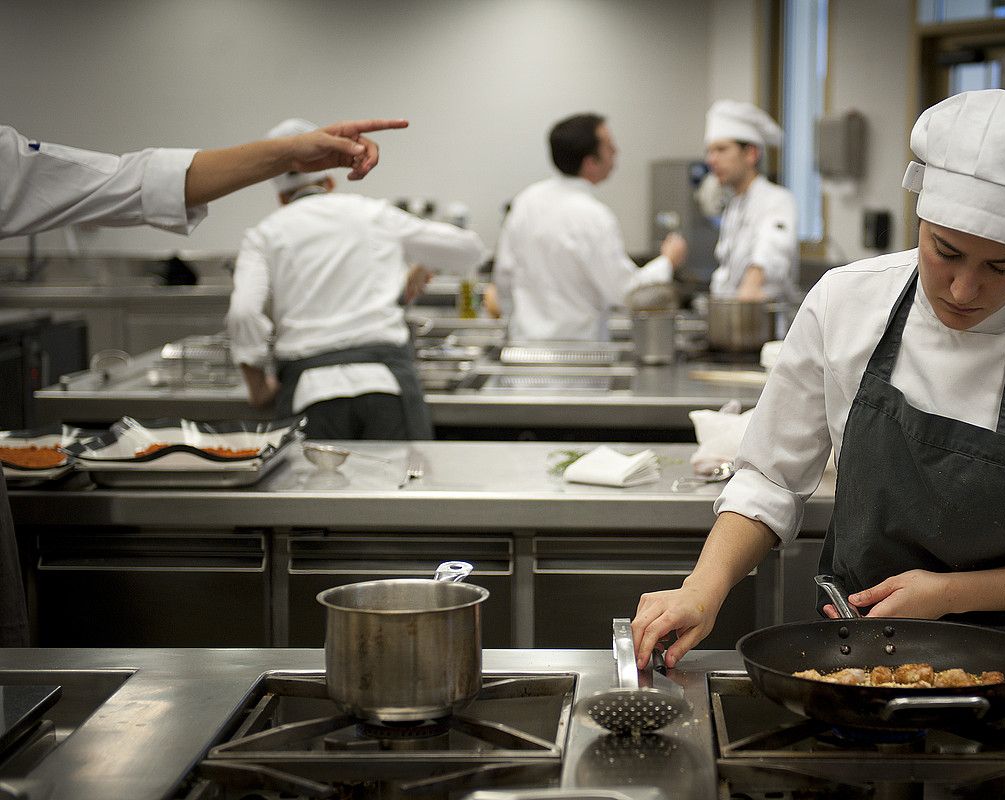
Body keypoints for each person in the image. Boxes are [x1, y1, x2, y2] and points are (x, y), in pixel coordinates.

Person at [632, 89, 1005, 667]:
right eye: (946, 251)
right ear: (921, 218)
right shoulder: (846, 301)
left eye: (1001, 268)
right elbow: (770, 478)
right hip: (857, 654)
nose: (964, 290)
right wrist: (702, 590)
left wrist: (950, 595)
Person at [0, 116, 408, 647]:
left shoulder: (271, 231)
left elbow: (130, 184)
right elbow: (130, 180)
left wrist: (283, 154)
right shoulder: (372, 214)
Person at [226, 120, 485, 439]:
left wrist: (257, 387)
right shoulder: (371, 213)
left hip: (309, 392)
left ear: (280, 197)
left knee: (313, 487)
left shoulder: (264, 235)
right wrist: (423, 260)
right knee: (401, 484)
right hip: (386, 384)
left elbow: (243, 312)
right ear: (330, 182)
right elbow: (468, 249)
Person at [492, 113, 688, 341]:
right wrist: (668, 262)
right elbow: (627, 293)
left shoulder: (526, 201)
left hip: (525, 352)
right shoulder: (593, 216)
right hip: (578, 358)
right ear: (590, 162)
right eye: (610, 147)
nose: (616, 152)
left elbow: (504, 280)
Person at [702, 100, 798, 302]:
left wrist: (753, 280)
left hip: (763, 324)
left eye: (721, 149)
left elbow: (773, 247)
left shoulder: (777, 200)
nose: (711, 160)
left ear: (751, 154)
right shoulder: (734, 205)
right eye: (710, 151)